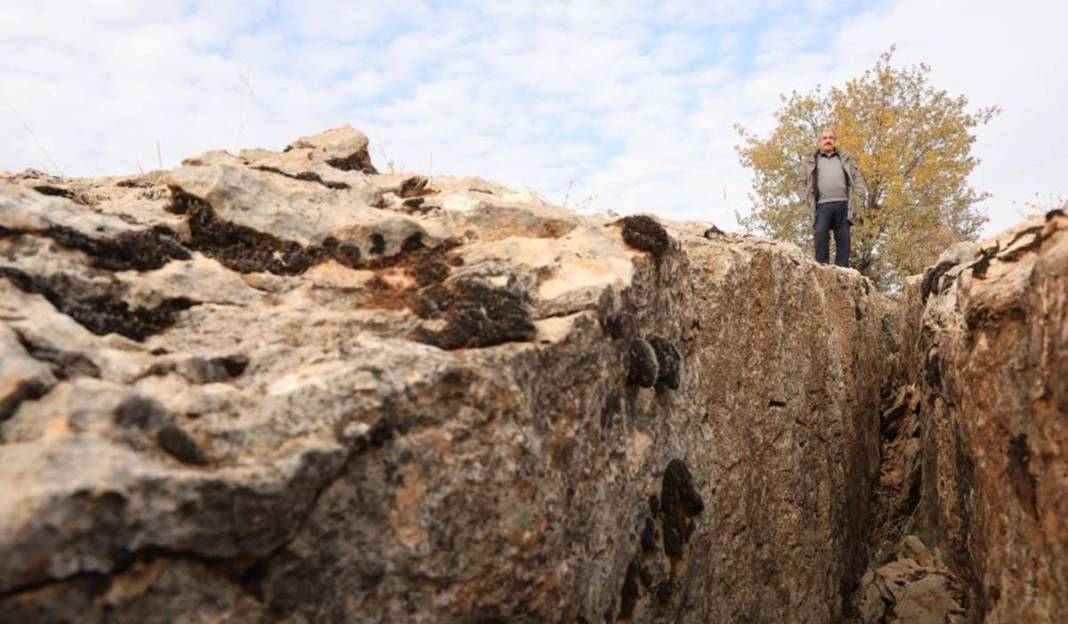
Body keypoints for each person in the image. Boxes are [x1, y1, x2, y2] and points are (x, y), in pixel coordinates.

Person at [803, 127, 867, 267]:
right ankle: (822, 270)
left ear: (835, 140)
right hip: (821, 205)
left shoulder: (845, 159)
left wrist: (858, 199)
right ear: (820, 141)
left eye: (830, 138)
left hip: (843, 204)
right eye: (824, 138)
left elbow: (858, 180)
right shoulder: (812, 160)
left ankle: (842, 274)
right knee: (820, 237)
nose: (828, 141)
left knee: (844, 240)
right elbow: (802, 183)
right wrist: (805, 199)